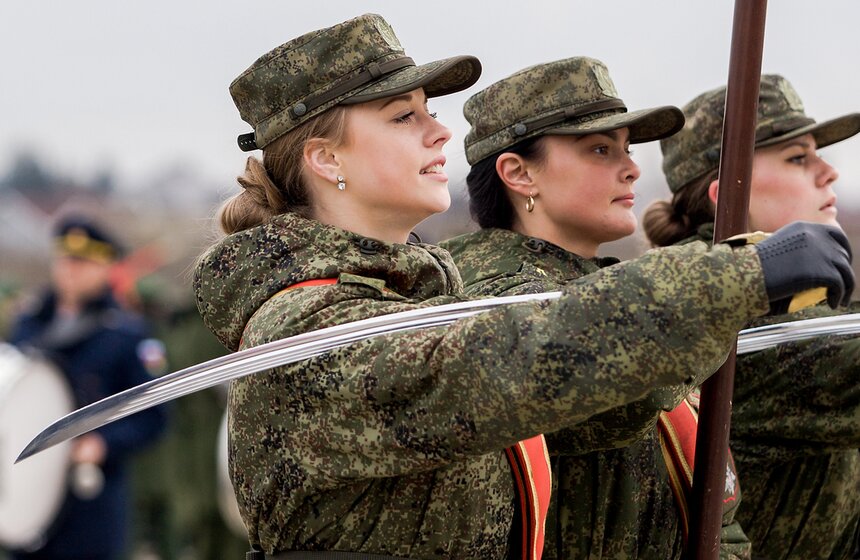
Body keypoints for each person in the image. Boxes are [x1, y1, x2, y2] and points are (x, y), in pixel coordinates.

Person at [194, 14, 853, 559]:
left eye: (430, 111)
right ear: (326, 158)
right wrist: (736, 275)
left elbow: (610, 405)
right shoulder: (305, 325)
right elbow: (497, 365)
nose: (440, 131)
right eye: (402, 117)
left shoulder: (417, 302)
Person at [440, 57, 750, 559]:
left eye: (627, 149)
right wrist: (731, 286)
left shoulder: (606, 290)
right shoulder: (492, 301)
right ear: (519, 173)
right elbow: (628, 388)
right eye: (601, 150)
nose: (632, 168)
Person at [644, 74, 860, 559]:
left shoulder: (789, 300)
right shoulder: (725, 322)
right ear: (726, 194)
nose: (829, 172)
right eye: (798, 158)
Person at [6, 215, 167, 560]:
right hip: (27, 494)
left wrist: (103, 443)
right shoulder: (28, 324)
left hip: (89, 505)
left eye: (82, 263)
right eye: (65, 260)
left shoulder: (126, 334)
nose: (70, 270)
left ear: (105, 267)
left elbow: (154, 416)